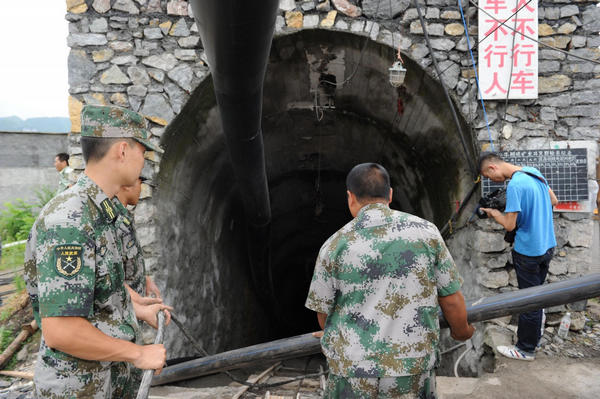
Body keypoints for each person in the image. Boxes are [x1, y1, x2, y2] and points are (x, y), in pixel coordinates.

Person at [24, 105, 172, 398]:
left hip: (106, 381)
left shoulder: (100, 212)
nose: (144, 162)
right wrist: (137, 354)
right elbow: (61, 331)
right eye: (143, 151)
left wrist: (137, 308)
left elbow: (99, 295)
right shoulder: (70, 219)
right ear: (122, 151)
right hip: (79, 388)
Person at [305, 163, 474, 398]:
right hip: (411, 369)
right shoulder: (427, 233)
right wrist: (462, 331)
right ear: (391, 194)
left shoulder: (334, 245)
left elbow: (323, 313)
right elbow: (451, 299)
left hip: (353, 370)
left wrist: (336, 331)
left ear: (350, 197)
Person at [479, 152, 558, 361]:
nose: (490, 181)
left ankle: (526, 349)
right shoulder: (534, 173)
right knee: (538, 295)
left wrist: (495, 214)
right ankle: (534, 337)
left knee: (529, 300)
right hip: (548, 245)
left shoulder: (514, 185)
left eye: (488, 177)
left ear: (492, 168)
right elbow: (554, 199)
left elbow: (510, 225)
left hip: (528, 252)